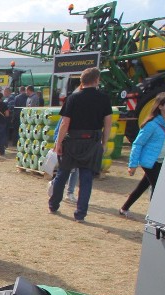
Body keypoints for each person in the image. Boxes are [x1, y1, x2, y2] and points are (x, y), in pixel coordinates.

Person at [48, 67, 113, 222]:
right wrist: (104, 142)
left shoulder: (73, 98)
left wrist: (58, 143)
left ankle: (53, 204)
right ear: (97, 80)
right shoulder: (104, 98)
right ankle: (80, 213)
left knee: (63, 174)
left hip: (73, 141)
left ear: (81, 81)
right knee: (86, 178)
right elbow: (108, 122)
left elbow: (65, 123)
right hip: (92, 141)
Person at [120, 92, 165, 216]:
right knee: (159, 189)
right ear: (160, 106)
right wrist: (133, 164)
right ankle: (157, 216)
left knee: (143, 186)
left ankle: (124, 208)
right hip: (150, 161)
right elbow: (138, 144)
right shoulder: (151, 124)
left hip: (164, 159)